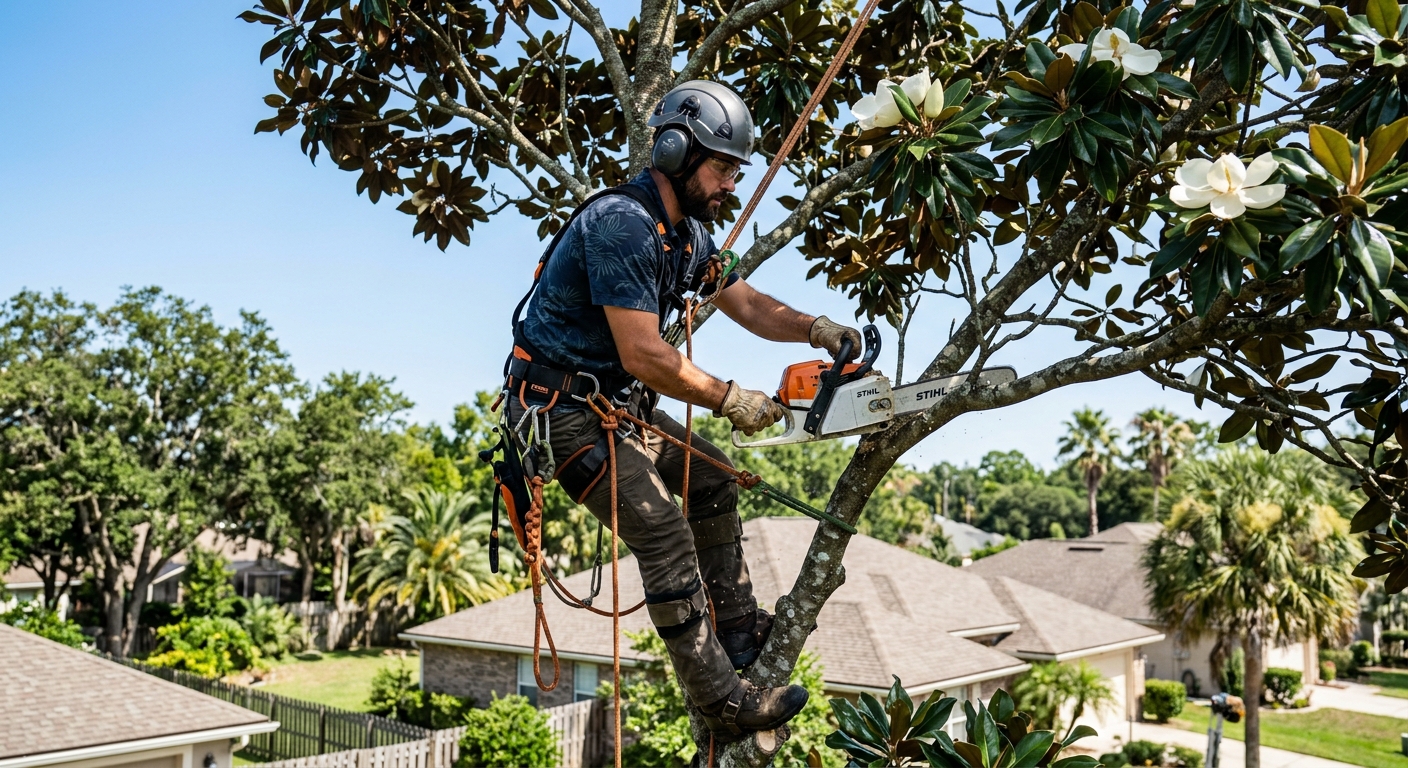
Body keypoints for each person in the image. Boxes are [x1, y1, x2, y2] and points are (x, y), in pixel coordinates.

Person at [503, 80, 860, 738]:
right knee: (664, 534)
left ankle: (740, 637)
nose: (730, 185)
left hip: (615, 409)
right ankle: (721, 703)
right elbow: (644, 354)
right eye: (724, 168)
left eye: (735, 172)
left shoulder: (685, 238)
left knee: (714, 478)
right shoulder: (621, 225)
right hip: (563, 417)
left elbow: (745, 301)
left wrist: (818, 329)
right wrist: (728, 398)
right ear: (675, 150)